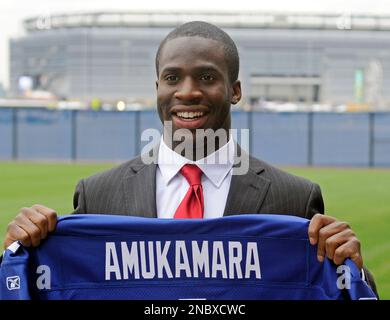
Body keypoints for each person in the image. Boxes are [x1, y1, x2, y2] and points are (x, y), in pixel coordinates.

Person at [2, 21, 377, 296]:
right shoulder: (98, 195)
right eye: (172, 78)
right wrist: (21, 251)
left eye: (207, 77)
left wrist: (354, 267)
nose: (187, 92)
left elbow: (332, 289)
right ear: (157, 89)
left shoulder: (295, 197)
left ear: (235, 91)